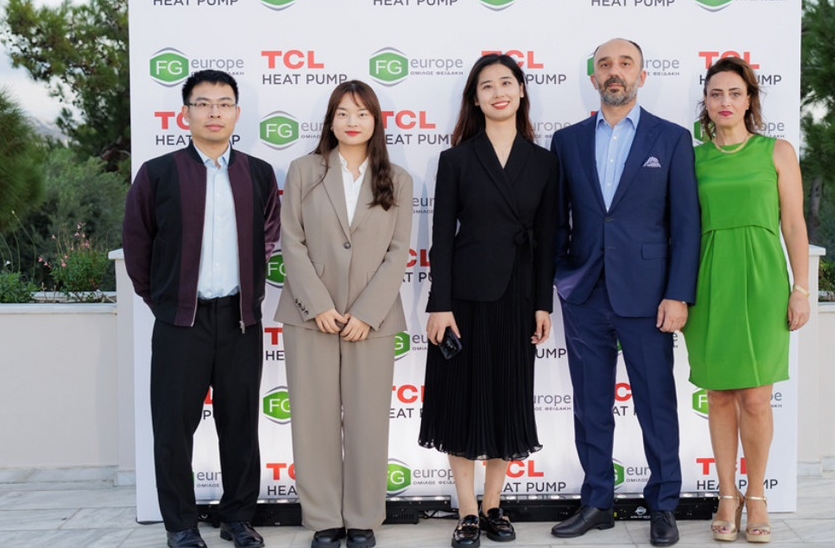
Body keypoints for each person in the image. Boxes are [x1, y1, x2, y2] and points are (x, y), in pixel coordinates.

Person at [549, 38, 700, 547]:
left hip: (649, 295)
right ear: (593, 77)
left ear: (642, 75)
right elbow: (557, 220)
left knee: (655, 403)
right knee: (590, 404)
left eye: (625, 63)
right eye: (605, 65)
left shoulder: (672, 138)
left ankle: (664, 504)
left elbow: (686, 224)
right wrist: (561, 277)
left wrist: (678, 294)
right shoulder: (567, 141)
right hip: (585, 294)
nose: (615, 72)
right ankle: (597, 501)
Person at [123, 69, 279, 548]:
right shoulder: (159, 173)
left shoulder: (257, 172)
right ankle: (181, 525)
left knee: (240, 425)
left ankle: (237, 518)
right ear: (185, 113)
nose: (215, 112)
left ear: (236, 112)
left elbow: (268, 236)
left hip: (239, 320)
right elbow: (137, 243)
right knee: (173, 427)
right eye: (204, 103)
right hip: (180, 322)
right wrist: (164, 299)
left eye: (224, 103)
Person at [420, 53, 559, 548]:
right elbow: (441, 236)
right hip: (464, 298)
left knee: (506, 399)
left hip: (518, 297)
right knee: (460, 401)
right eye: (486, 86)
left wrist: (542, 303)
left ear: (521, 91)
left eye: (506, 82)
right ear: (475, 100)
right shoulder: (456, 159)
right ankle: (466, 511)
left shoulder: (544, 161)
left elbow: (548, 238)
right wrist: (440, 303)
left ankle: (493, 506)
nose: (498, 92)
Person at [275, 80, 413, 548]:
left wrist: (367, 313)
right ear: (330, 121)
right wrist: (318, 305)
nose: (352, 122)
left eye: (362, 113)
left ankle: (363, 518)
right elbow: (291, 241)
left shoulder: (398, 178)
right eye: (343, 113)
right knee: (312, 419)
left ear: (376, 121)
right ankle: (322, 519)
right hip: (309, 316)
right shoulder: (303, 170)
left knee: (367, 421)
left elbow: (398, 252)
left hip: (371, 322)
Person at [684, 57, 809, 544]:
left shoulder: (777, 151)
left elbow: (794, 224)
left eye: (735, 93)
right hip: (709, 280)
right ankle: (726, 495)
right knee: (719, 395)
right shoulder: (692, 158)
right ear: (706, 101)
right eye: (716, 94)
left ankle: (756, 495)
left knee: (756, 398)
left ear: (750, 99)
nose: (725, 102)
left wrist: (801, 288)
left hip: (763, 282)